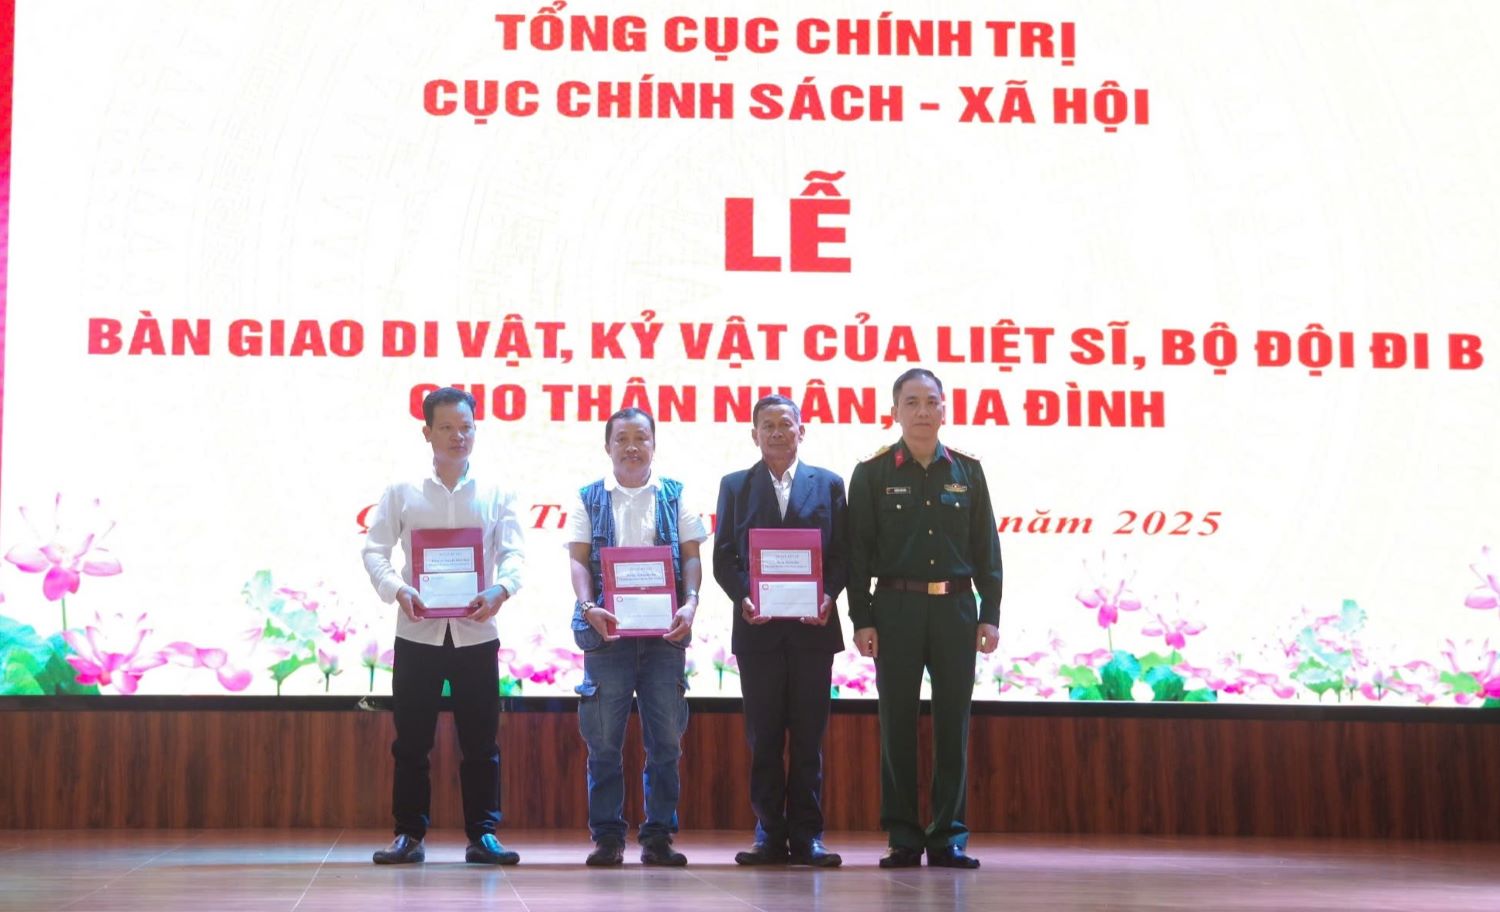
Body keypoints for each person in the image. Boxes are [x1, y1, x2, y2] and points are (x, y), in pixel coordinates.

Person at [361, 386, 526, 865]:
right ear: (427, 431)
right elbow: (374, 550)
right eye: (448, 428)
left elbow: (515, 553)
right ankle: (408, 835)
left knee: (482, 741)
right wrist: (397, 589)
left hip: (477, 633)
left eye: (467, 427)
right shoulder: (402, 490)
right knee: (411, 740)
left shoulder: (498, 490)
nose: (459, 436)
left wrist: (502, 589)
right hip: (418, 633)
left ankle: (483, 835)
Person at [847, 368, 1002, 869]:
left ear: (944, 409)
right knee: (897, 721)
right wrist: (862, 618)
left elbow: (987, 549)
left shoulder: (968, 471)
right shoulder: (872, 473)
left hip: (957, 609)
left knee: (953, 721)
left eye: (930, 402)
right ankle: (903, 834)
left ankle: (948, 835)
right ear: (894, 411)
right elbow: (857, 554)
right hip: (896, 608)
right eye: (910, 402)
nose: (921, 411)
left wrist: (990, 613)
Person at [566, 407, 707, 866]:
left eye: (640, 438)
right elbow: (578, 560)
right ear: (607, 446)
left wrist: (690, 601)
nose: (631, 446)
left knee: (666, 741)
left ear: (653, 444)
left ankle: (659, 837)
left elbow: (690, 557)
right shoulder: (588, 497)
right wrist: (589, 608)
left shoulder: (675, 495)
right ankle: (608, 837)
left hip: (664, 636)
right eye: (621, 438)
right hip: (608, 634)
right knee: (603, 742)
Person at [712, 395, 847, 867]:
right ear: (754, 434)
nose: (775, 432)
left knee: (808, 737)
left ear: (801, 431)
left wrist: (829, 594)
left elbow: (842, 554)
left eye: (784, 424)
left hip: (813, 632)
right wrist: (743, 596)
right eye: (766, 425)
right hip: (759, 632)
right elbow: (724, 556)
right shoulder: (735, 486)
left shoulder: (828, 484)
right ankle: (769, 833)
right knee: (764, 737)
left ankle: (808, 836)